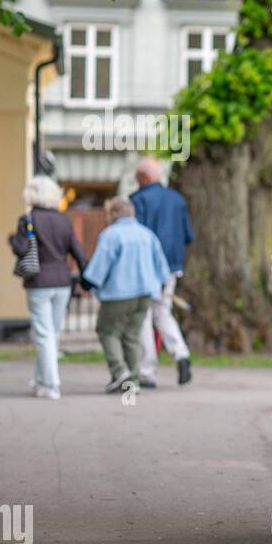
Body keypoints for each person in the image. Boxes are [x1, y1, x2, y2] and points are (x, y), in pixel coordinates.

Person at [82, 197, 172, 394]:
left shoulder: (111, 235)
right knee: (131, 335)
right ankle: (132, 380)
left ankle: (120, 371)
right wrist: (159, 286)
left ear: (113, 215)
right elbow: (162, 267)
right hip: (145, 293)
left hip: (119, 293)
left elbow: (100, 265)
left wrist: (88, 282)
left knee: (107, 331)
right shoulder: (146, 234)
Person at [10, 175, 86, 400]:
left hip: (39, 281)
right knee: (51, 333)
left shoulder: (29, 219)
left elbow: (21, 248)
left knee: (43, 334)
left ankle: (52, 384)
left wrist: (13, 239)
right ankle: (41, 380)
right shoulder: (64, 220)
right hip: (62, 281)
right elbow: (78, 251)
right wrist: (86, 277)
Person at [129, 158, 194, 387]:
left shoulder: (137, 200)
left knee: (145, 316)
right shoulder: (177, 199)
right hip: (172, 267)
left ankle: (148, 371)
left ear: (143, 178)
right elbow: (188, 235)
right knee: (163, 311)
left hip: (147, 267)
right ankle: (181, 352)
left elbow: (135, 237)